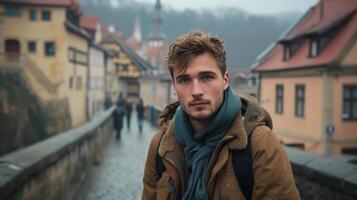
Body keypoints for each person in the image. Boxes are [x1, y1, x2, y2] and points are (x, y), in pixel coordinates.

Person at [142, 30, 300, 200]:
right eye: (185, 80)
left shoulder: (260, 145)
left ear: (225, 80)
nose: (196, 91)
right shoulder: (162, 146)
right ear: (174, 85)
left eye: (206, 77)